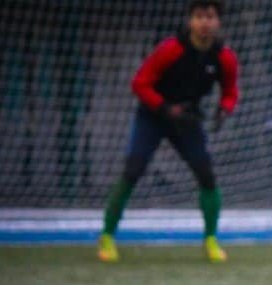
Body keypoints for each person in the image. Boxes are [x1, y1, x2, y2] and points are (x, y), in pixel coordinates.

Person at [97, 0, 239, 263]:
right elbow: (140, 83)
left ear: (218, 21)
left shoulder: (224, 57)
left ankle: (211, 239)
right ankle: (107, 235)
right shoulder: (170, 50)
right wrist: (164, 107)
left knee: (206, 175)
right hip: (153, 116)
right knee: (133, 170)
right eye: (199, 16)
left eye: (210, 16)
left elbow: (230, 91)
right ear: (190, 20)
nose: (205, 22)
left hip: (186, 119)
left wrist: (224, 108)